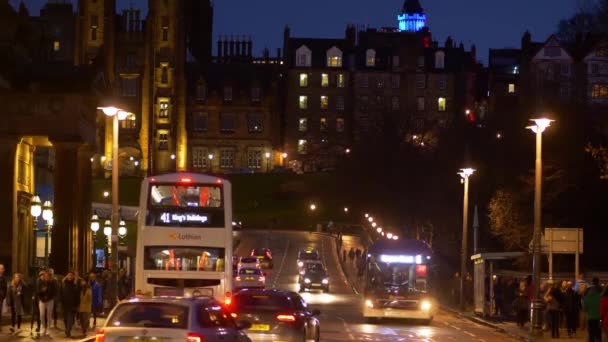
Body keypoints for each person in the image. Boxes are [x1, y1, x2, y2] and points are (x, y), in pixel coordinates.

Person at [37, 270, 57, 336]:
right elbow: (37, 291)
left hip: (50, 300)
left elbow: (55, 292)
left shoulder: (53, 282)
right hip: (42, 300)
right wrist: (42, 291)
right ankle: (43, 328)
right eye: (45, 276)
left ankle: (48, 328)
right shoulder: (40, 282)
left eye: (47, 276)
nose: (46, 277)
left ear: (50, 276)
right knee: (42, 315)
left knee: (49, 315)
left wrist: (48, 294)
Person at [61, 271, 80, 338]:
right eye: (68, 275)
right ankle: (67, 330)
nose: (70, 277)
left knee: (71, 320)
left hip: (72, 305)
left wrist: (77, 305)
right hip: (65, 305)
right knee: (65, 319)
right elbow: (60, 294)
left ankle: (68, 330)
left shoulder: (75, 285)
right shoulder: (63, 284)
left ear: (73, 277)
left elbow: (77, 296)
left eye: (71, 276)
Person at [583, 277, 602, 342]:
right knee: (598, 332)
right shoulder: (600, 297)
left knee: (591, 333)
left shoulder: (587, 298)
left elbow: (585, 309)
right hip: (599, 318)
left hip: (590, 318)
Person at [30, 271, 43, 336]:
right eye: (41, 275)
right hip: (35, 299)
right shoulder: (36, 281)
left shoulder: (44, 282)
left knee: (38, 314)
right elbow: (33, 289)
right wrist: (33, 295)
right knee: (33, 314)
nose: (42, 276)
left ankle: (38, 327)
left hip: (40, 300)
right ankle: (31, 327)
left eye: (43, 275)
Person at [0, 264, 7, 332]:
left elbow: (5, 288)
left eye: (2, 269)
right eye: (0, 268)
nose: (1, 270)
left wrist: (3, 295)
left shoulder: (4, 278)